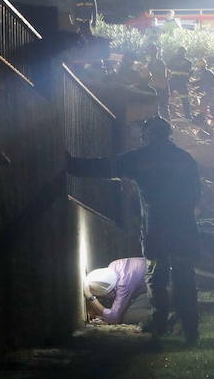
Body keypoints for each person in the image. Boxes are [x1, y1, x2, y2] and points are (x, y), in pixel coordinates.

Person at [67, 117, 202, 343]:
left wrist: (71, 164)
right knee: (184, 275)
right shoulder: (185, 159)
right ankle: (190, 329)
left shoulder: (141, 158)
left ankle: (158, 324)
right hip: (184, 228)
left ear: (147, 135)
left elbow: (105, 167)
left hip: (157, 229)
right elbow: (196, 194)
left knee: (156, 276)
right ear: (168, 134)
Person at [84, 257, 151, 325]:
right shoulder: (113, 265)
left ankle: (159, 317)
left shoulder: (123, 286)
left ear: (109, 293)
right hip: (153, 282)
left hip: (158, 291)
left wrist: (90, 297)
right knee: (126, 308)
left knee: (127, 316)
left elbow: (114, 318)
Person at [192, 58, 214, 129]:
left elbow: (202, 82)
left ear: (200, 67)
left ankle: (203, 117)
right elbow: (202, 82)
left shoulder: (206, 73)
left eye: (198, 67)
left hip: (213, 91)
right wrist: (194, 85)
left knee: (204, 102)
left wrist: (193, 85)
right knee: (212, 107)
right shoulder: (207, 72)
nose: (198, 69)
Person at [165, 45, 193, 121]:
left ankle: (163, 113)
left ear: (178, 52)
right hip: (182, 82)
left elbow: (166, 69)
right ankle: (188, 116)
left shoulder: (172, 60)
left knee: (165, 95)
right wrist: (187, 80)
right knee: (185, 99)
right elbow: (190, 73)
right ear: (185, 53)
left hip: (173, 80)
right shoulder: (189, 62)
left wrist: (166, 78)